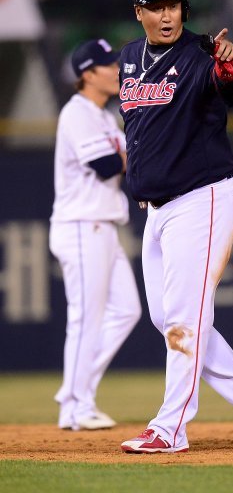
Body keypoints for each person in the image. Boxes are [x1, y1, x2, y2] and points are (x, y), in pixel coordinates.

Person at [117, 0, 233, 454]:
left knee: (185, 318)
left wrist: (228, 69)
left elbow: (226, 85)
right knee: (166, 316)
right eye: (155, 6)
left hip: (202, 198)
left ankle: (170, 427)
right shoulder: (130, 58)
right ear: (140, 13)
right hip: (157, 209)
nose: (166, 14)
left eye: (173, 5)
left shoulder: (203, 54)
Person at [50, 38, 142, 431]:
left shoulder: (104, 116)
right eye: (109, 65)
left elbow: (125, 159)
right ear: (88, 74)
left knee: (126, 310)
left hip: (102, 227)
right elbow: (108, 166)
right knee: (85, 319)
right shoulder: (77, 113)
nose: (118, 70)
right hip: (81, 226)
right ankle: (75, 405)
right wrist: (132, 152)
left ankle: (76, 388)